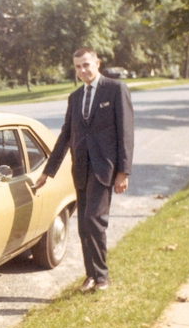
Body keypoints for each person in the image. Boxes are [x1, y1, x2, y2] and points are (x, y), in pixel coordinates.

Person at [34, 47, 134, 292]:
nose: (83, 70)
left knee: (93, 221)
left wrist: (123, 173)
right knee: (82, 226)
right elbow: (66, 135)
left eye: (87, 65)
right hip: (81, 169)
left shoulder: (115, 89)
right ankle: (90, 276)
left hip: (104, 169)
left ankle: (102, 278)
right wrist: (48, 171)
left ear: (97, 63)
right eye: (78, 67)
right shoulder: (75, 97)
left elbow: (126, 133)